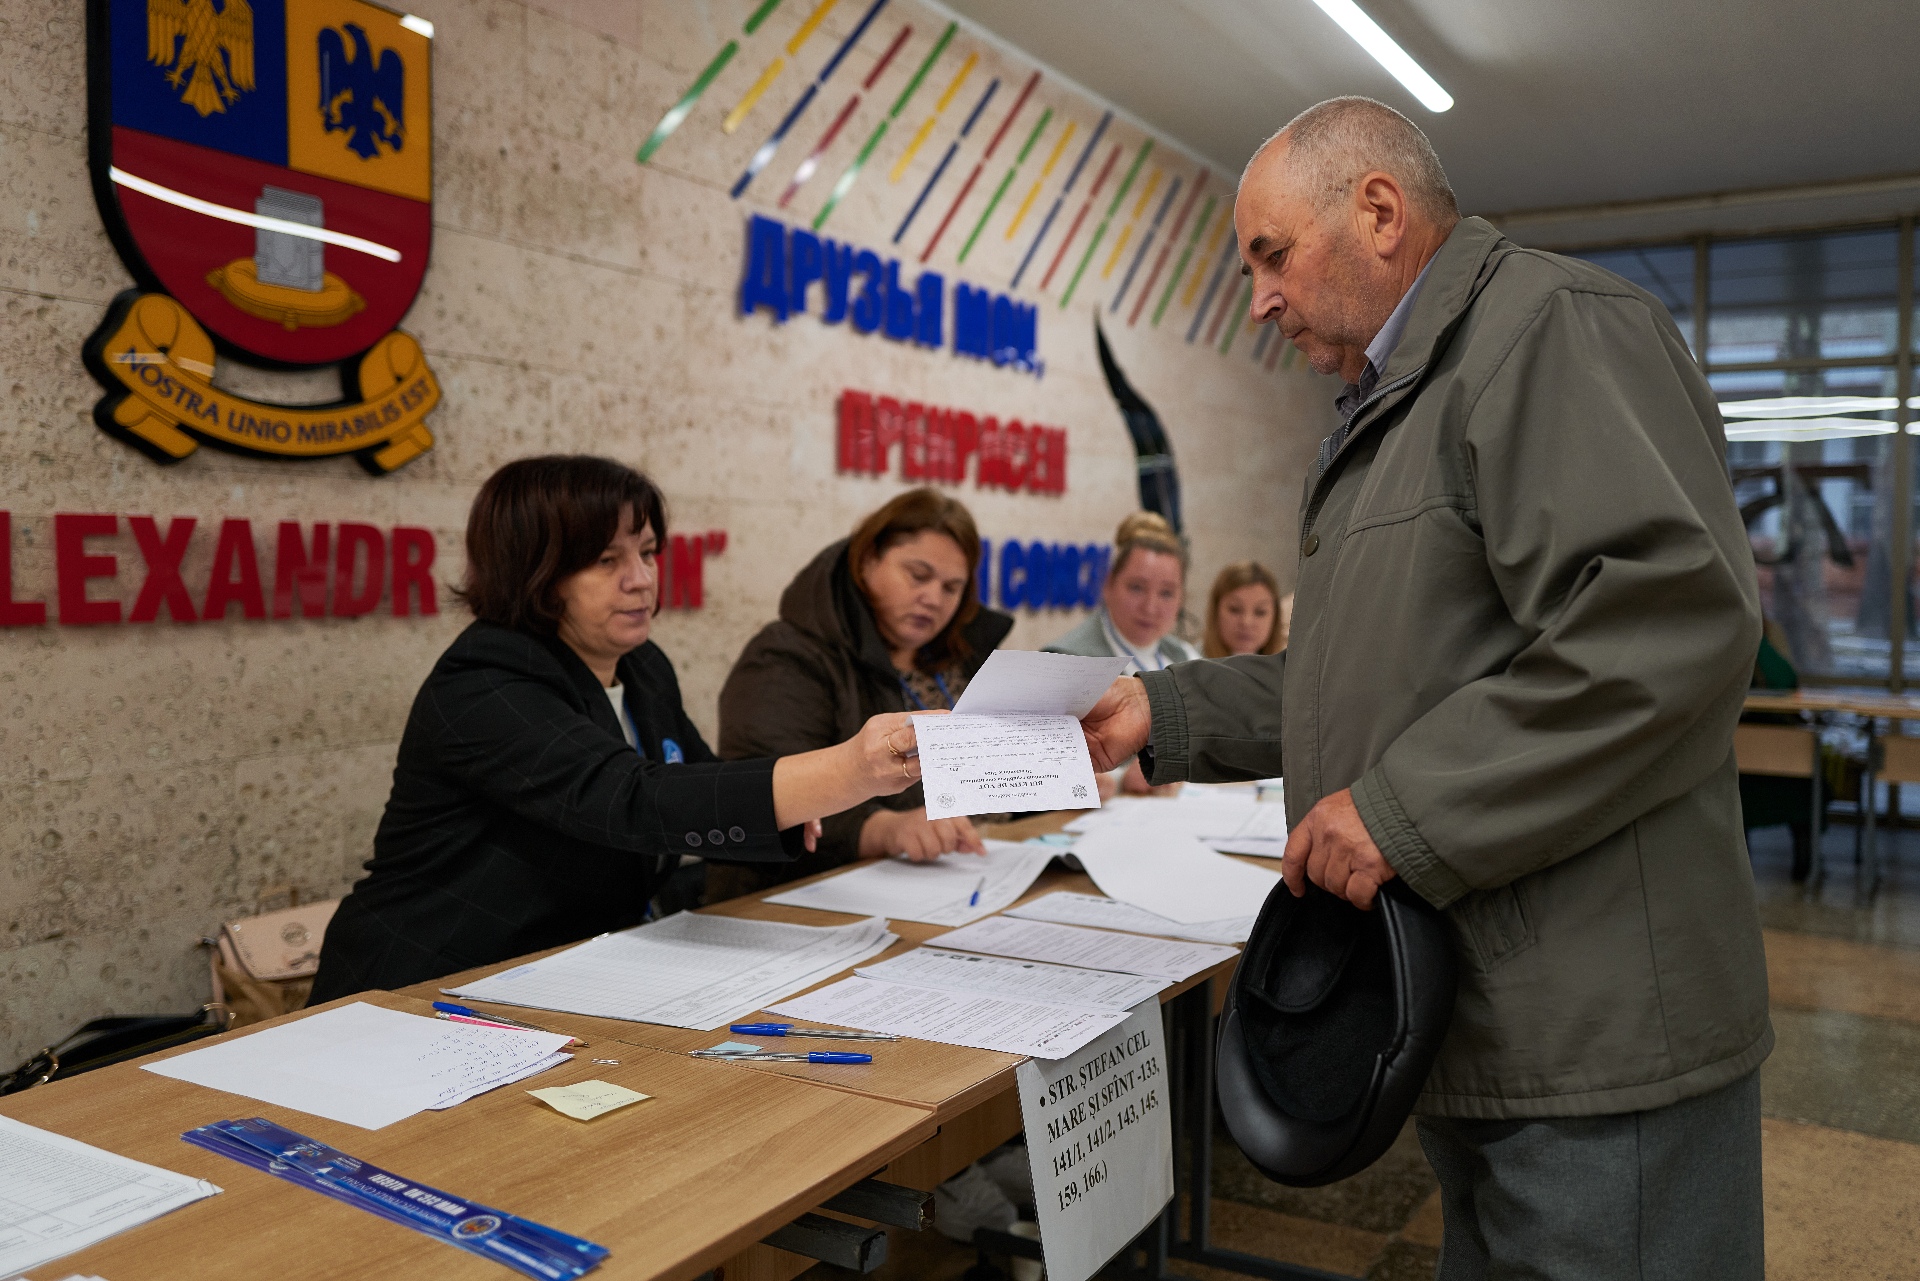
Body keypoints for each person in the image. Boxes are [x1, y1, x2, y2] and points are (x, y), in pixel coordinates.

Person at [1077, 98, 1769, 1278]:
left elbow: (1664, 628)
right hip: (1482, 1009)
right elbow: (1382, 680)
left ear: (1381, 212)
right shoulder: (1396, 402)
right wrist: (1171, 711)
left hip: (1598, 1033)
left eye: (1271, 255)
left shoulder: (1550, 329)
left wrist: (1402, 814)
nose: (1261, 300)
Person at [310, 456, 922, 1001]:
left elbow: (699, 780)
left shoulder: (641, 665)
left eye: (648, 552)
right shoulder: (485, 681)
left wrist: (791, 802)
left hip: (565, 979)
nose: (641, 578)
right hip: (421, 991)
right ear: (537, 573)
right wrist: (847, 769)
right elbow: (633, 798)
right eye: (608, 561)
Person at [707, 488, 1012, 901]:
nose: (933, 599)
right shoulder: (787, 656)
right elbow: (765, 796)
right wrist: (887, 829)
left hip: (962, 878)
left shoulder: (960, 657)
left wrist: (1053, 784)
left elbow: (997, 779)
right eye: (918, 576)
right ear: (869, 561)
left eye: (951, 588)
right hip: (799, 901)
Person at [1047, 511, 1198, 796]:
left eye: (1166, 593)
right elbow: (1041, 772)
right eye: (1137, 588)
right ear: (1108, 585)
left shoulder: (1186, 657)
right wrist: (1116, 780)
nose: (1151, 607)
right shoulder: (1066, 661)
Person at [1202, 561, 1284, 657]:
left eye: (1260, 612)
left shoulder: (1289, 669)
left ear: (1275, 617)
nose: (1246, 622)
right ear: (1215, 611)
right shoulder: (1190, 663)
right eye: (1235, 609)